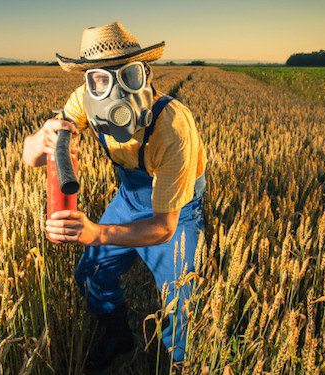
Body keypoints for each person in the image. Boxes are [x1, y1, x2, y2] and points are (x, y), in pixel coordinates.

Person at [21, 21, 208, 371]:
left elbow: (164, 227)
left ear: (146, 74)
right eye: (101, 79)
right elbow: (30, 156)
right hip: (130, 197)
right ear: (88, 82)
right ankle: (118, 334)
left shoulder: (174, 128)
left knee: (181, 302)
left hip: (177, 211)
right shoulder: (83, 101)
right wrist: (40, 141)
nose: (114, 90)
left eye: (128, 75)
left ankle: (173, 361)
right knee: (91, 272)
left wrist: (97, 233)